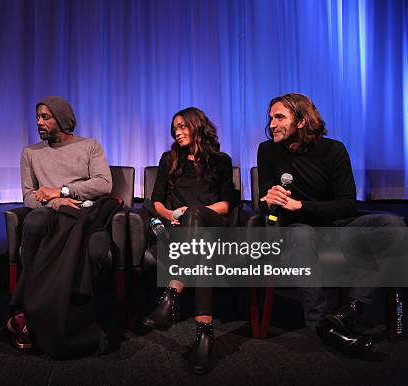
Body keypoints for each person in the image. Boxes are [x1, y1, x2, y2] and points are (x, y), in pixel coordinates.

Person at [257, 92, 405, 354]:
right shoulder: (267, 150)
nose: (272, 124)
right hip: (296, 228)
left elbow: (348, 204)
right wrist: (269, 201)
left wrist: (301, 205)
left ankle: (350, 311)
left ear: (301, 121)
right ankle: (319, 324)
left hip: (337, 227)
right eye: (270, 118)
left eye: (279, 117)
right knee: (301, 234)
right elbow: (266, 208)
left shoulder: (333, 150)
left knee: (394, 225)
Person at [7, 96, 114, 356]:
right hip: (51, 213)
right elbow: (29, 195)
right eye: (38, 117)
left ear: (62, 119)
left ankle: (74, 313)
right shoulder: (30, 153)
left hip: (83, 215)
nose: (39, 122)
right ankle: (30, 310)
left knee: (97, 248)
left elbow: (104, 184)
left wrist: (63, 191)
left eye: (46, 117)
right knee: (34, 221)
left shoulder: (90, 146)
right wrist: (55, 203)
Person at [142, 107, 239, 374]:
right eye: (175, 127)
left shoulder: (220, 160)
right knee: (201, 252)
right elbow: (156, 200)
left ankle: (171, 296)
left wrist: (196, 213)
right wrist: (173, 213)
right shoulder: (169, 158)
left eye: (183, 126)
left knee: (197, 217)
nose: (177, 131)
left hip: (214, 225)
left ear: (197, 127)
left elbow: (229, 202)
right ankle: (204, 337)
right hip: (183, 230)